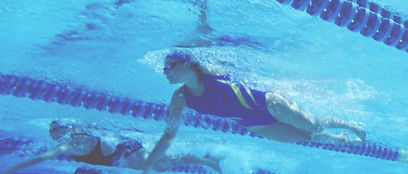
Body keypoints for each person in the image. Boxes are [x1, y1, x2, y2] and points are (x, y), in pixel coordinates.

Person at [143, 51, 366, 172]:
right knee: (306, 137)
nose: (165, 72)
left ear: (187, 64)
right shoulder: (180, 98)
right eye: (164, 68)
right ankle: (341, 140)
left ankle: (344, 124)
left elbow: (205, 44)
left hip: (269, 103)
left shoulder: (209, 71)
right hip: (256, 124)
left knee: (314, 126)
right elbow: (169, 134)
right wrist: (148, 165)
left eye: (170, 66)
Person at [1, 120, 221, 173]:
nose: (51, 135)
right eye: (50, 131)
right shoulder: (73, 137)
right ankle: (207, 159)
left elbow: (39, 158)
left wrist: (11, 170)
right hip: (113, 157)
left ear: (65, 130)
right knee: (164, 164)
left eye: (54, 131)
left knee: (164, 164)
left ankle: (208, 160)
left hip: (125, 152)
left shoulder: (70, 145)